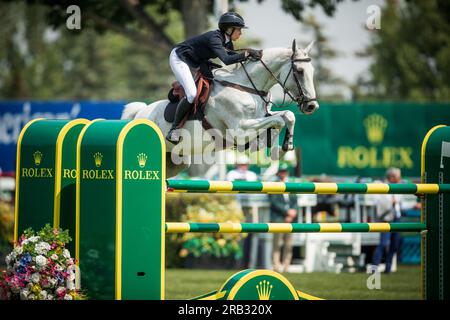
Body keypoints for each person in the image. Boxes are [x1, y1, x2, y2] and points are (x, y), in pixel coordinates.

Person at [166, 12, 263, 144]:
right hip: (179, 58)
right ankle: (174, 129)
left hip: (196, 61)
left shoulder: (227, 42)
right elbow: (227, 60)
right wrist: (246, 53)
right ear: (229, 29)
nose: (241, 33)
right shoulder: (214, 38)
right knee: (191, 94)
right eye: (239, 30)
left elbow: (233, 62)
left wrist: (250, 57)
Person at [371, 167, 421, 273]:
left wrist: (414, 205)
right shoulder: (382, 187)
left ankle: (388, 269)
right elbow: (380, 204)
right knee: (383, 244)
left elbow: (400, 205)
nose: (400, 178)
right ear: (391, 177)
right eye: (398, 176)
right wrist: (391, 203)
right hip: (386, 219)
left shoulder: (399, 188)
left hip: (396, 219)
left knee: (395, 245)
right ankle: (374, 269)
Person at [226, 155, 257, 268]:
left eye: (245, 164)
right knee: (235, 235)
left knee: (249, 235)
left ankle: (246, 263)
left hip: (249, 208)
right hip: (235, 208)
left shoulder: (251, 175)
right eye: (241, 164)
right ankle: (235, 262)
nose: (243, 167)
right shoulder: (231, 174)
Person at [269, 164, 297, 273]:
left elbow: (295, 201)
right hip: (278, 218)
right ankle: (276, 266)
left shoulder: (291, 184)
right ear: (278, 172)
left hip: (290, 219)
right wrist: (287, 212)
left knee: (289, 244)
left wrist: (293, 212)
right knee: (277, 244)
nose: (283, 173)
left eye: (285, 171)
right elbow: (274, 202)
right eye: (282, 171)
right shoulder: (273, 185)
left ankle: (286, 266)